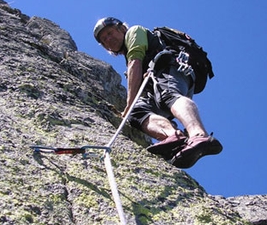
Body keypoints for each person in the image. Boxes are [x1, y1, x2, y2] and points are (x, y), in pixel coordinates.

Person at [93, 17, 222, 168]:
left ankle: (198, 135)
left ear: (121, 29)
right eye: (104, 39)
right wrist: (131, 109)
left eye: (109, 32)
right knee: (136, 113)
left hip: (169, 68)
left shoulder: (134, 31)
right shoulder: (128, 51)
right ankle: (173, 136)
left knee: (168, 95)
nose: (108, 39)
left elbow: (135, 62)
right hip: (160, 81)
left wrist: (128, 104)